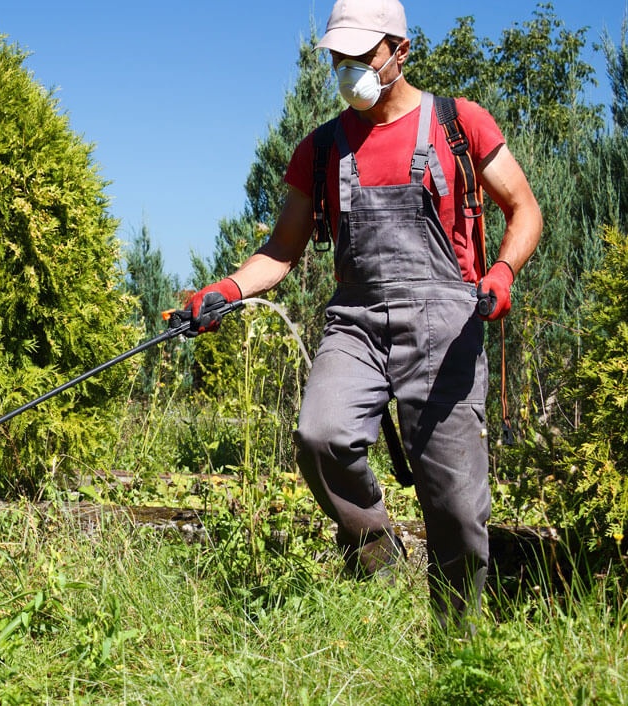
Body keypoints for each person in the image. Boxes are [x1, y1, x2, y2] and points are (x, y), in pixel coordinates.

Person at [184, 0, 542, 629]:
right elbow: (281, 250)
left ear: (400, 50)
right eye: (338, 56)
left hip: (447, 322)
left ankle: (455, 643)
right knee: (320, 436)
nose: (348, 66)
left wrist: (502, 274)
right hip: (355, 320)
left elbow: (525, 209)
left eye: (362, 53)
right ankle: (376, 548)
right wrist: (227, 290)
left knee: (456, 505)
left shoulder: (459, 124)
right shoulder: (321, 148)